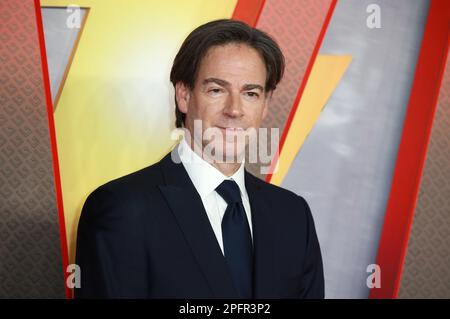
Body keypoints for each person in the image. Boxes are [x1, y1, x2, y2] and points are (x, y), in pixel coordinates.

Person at [75, 19, 324, 299]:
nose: (235, 110)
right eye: (216, 90)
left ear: (265, 105)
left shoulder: (293, 215)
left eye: (250, 93)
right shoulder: (122, 208)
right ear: (184, 95)